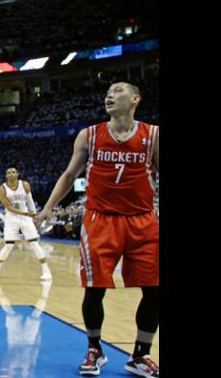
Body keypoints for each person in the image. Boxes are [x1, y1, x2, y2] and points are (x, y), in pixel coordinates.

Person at [37, 82, 159, 377]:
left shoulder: (153, 135)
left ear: (135, 99)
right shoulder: (89, 135)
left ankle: (140, 355)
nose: (110, 95)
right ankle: (95, 349)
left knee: (155, 291)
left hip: (142, 219)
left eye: (118, 91)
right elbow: (69, 175)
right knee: (95, 289)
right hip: (100, 220)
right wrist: (49, 207)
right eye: (108, 92)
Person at [0, 168, 52, 280]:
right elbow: (9, 207)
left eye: (13, 172)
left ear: (17, 174)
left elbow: (30, 200)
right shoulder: (1, 189)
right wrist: (26, 213)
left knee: (34, 244)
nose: (11, 174)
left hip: (25, 218)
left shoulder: (25, 184)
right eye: (8, 172)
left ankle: (47, 272)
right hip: (11, 218)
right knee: (9, 245)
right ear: (6, 176)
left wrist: (33, 213)